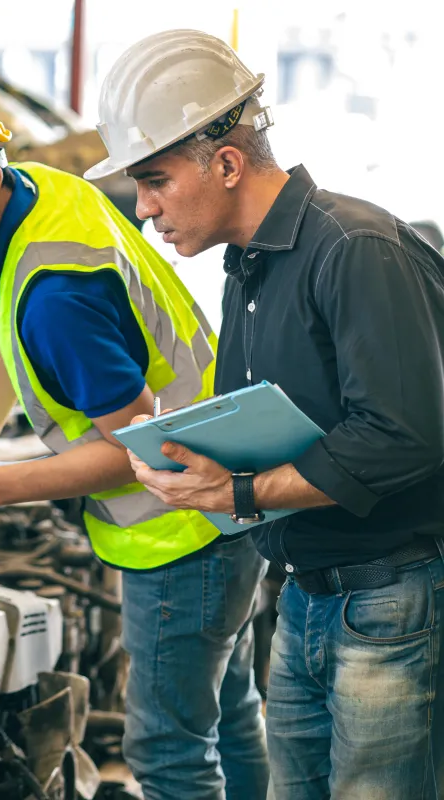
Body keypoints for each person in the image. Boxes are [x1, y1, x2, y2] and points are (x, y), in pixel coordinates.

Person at [0, 70, 269, 800]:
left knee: (168, 750)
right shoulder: (42, 196)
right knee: (230, 716)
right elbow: (13, 329)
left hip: (180, 534)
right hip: (227, 497)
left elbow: (142, 445)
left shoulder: (60, 298)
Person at [84, 28, 444, 800]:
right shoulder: (247, 269)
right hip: (304, 599)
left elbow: (404, 436)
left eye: (154, 181)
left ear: (225, 160)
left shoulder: (355, 247)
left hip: (388, 600)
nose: (144, 211)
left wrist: (239, 493)